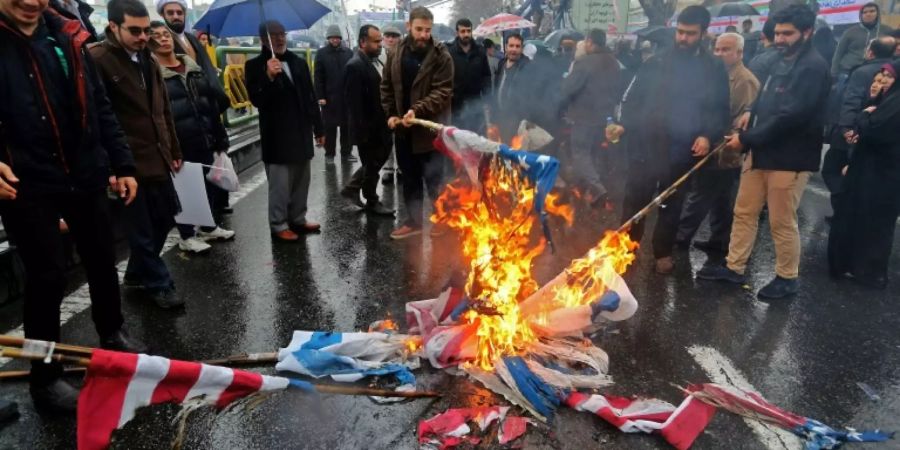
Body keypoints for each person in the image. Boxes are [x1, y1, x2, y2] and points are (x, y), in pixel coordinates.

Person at [1, 0, 147, 412]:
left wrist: (122, 162)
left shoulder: (66, 36)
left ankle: (112, 333)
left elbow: (101, 106)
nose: (32, 2)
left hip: (83, 171)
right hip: (24, 181)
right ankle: (44, 376)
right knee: (46, 276)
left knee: (102, 257)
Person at [699, 5, 831, 299]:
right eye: (778, 33)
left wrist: (745, 139)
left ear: (807, 33)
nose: (780, 39)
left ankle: (787, 277)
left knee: (781, 221)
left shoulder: (812, 67)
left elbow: (790, 116)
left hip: (789, 158)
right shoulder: (782, 60)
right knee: (744, 212)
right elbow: (766, 96)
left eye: (788, 33)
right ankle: (734, 267)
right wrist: (750, 110)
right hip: (760, 152)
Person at [619, 5, 730, 274]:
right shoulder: (656, 62)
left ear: (703, 33)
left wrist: (707, 135)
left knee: (672, 204)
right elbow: (633, 100)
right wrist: (625, 126)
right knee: (636, 201)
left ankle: (662, 252)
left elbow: (719, 108)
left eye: (690, 34)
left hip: (683, 150)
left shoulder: (713, 68)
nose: (683, 38)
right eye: (680, 32)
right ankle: (625, 251)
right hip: (646, 147)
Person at [90, 0, 185, 309]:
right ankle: (160, 284)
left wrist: (173, 148)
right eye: (135, 31)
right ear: (113, 26)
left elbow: (163, 109)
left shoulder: (148, 58)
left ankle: (135, 272)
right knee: (141, 229)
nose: (144, 37)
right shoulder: (97, 59)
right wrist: (111, 167)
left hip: (157, 156)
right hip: (127, 163)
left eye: (146, 31)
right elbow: (95, 118)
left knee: (167, 217)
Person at [149, 21, 236, 253]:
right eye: (156, 35)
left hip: (202, 133)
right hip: (178, 139)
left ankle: (208, 226)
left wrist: (217, 133)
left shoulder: (191, 66)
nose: (163, 39)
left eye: (165, 34)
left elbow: (208, 101)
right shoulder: (152, 73)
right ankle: (186, 235)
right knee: (183, 188)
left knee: (206, 184)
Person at [677, 32, 760, 252]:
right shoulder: (714, 74)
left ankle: (681, 237)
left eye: (726, 50)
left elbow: (743, 121)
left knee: (701, 195)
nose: (720, 54)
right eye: (717, 49)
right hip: (709, 144)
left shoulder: (745, 80)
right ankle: (719, 241)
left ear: (739, 53)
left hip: (724, 150)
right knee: (720, 200)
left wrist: (715, 138)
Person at [246, 21, 325, 241]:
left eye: (282, 34)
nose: (280, 39)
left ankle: (298, 218)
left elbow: (311, 97)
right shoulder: (255, 66)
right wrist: (268, 77)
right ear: (263, 39)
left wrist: (319, 127)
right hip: (277, 135)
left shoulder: (298, 62)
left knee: (302, 179)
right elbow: (257, 99)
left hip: (301, 132)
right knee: (280, 184)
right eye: (274, 36)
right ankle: (278, 224)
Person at [381, 6, 453, 240]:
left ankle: (443, 219)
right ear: (408, 27)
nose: (424, 35)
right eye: (419, 29)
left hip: (430, 132)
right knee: (410, 179)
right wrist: (391, 113)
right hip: (404, 130)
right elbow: (387, 87)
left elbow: (443, 92)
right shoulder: (395, 53)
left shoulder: (442, 55)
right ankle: (414, 222)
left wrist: (416, 110)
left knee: (435, 180)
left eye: (428, 30)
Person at [828, 62, 900, 289]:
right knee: (860, 218)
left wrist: (863, 117)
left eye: (890, 76)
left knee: (875, 223)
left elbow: (876, 130)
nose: (884, 80)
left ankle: (869, 272)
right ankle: (854, 265)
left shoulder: (895, 104)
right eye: (883, 75)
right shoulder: (886, 101)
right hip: (870, 170)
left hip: (884, 174)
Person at [825, 36, 896, 210]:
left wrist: (847, 129)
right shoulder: (892, 71)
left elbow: (851, 101)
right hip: (870, 135)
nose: (879, 82)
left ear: (870, 52)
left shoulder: (862, 72)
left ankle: (842, 209)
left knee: (833, 169)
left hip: (856, 131)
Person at [559, 28, 620, 205]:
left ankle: (597, 188)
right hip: (605, 119)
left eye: (586, 42)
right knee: (594, 153)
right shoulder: (614, 62)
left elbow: (568, 88)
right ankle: (585, 189)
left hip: (584, 117)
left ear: (590, 42)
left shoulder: (585, 63)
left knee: (580, 153)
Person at [340, 25, 394, 216]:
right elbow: (353, 105)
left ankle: (352, 188)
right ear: (363, 42)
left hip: (382, 125)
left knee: (375, 162)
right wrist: (362, 134)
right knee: (372, 165)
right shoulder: (354, 66)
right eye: (376, 41)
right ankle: (371, 200)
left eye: (381, 40)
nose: (380, 44)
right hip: (368, 129)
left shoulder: (375, 61)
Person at [315, 25, 354, 162]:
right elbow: (318, 77)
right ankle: (329, 154)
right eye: (332, 38)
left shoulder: (348, 53)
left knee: (346, 126)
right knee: (329, 127)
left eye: (337, 38)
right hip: (329, 97)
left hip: (346, 97)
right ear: (328, 38)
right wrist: (320, 96)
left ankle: (346, 153)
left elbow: (353, 74)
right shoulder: (322, 54)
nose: (335, 40)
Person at [447, 18, 491, 134]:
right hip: (456, 103)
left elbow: (486, 75)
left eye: (468, 31)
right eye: (463, 31)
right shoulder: (449, 51)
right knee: (458, 137)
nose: (466, 34)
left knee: (477, 136)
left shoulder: (480, 51)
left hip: (476, 102)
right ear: (457, 33)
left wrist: (487, 97)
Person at [832, 2, 893, 78]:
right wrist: (834, 73)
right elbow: (838, 53)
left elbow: (893, 52)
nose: (868, 14)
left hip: (876, 72)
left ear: (878, 13)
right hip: (848, 71)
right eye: (865, 12)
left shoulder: (887, 31)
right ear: (861, 15)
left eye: (872, 11)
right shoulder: (850, 31)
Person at [492, 33, 532, 141]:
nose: (514, 49)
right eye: (511, 46)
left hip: (517, 120)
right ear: (506, 47)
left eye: (517, 46)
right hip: (500, 116)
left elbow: (530, 97)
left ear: (522, 48)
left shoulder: (527, 66)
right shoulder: (501, 64)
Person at [380, 24, 402, 185]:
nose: (391, 39)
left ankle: (401, 167)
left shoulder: (403, 54)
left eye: (394, 36)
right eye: (388, 36)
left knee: (401, 137)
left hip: (400, 102)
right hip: (382, 101)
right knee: (386, 137)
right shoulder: (377, 55)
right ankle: (388, 169)